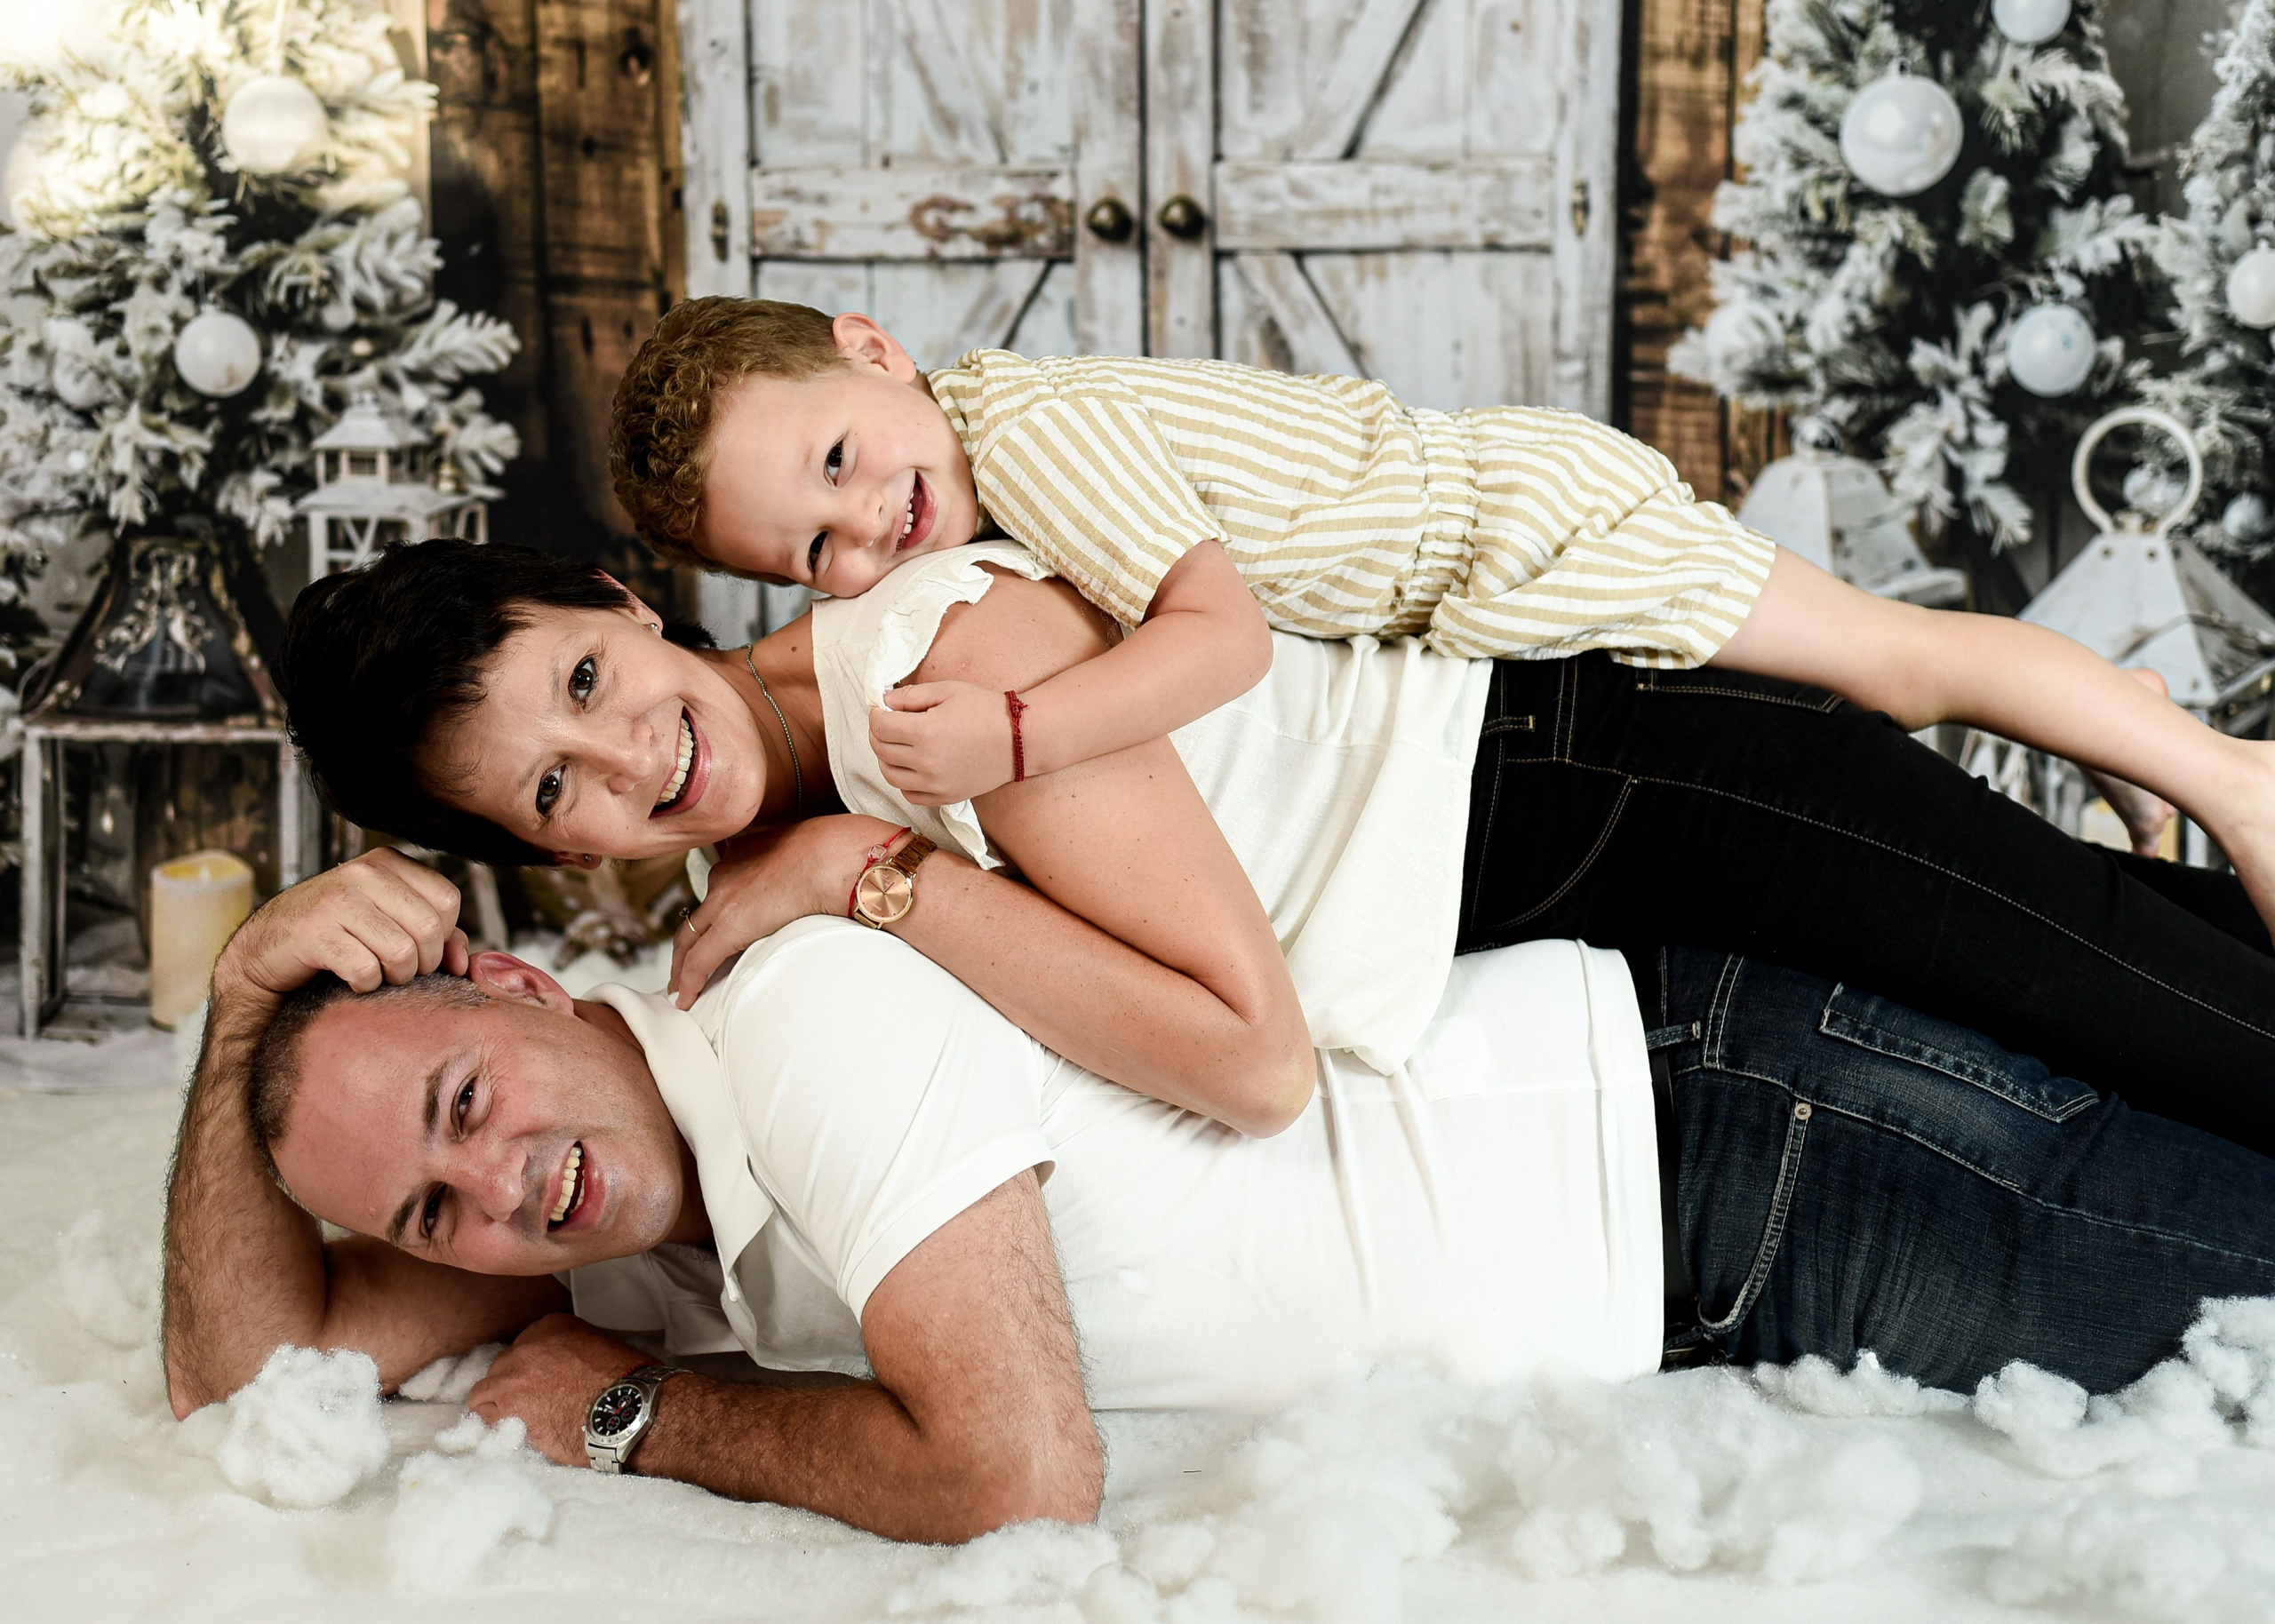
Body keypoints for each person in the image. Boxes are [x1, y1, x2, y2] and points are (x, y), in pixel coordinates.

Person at [163, 852, 2275, 1546]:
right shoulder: (608, 1187)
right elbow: (243, 1378)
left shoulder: (789, 1018)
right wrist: (250, 985)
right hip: (1681, 1242)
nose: (491, 1193)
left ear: (524, 989)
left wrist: (639, 1409)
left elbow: (1016, 1474)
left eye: (459, 1100)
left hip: (1725, 1151)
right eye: (430, 1211)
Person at [280, 537, 2275, 1158]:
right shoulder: (782, 831)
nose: (626, 756)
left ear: (626, 600)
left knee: (2130, 987)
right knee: (2139, 950)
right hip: (1564, 860)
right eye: (550, 789)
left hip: (1610, 769)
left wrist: (872, 883)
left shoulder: (933, 672)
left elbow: (1247, 1059)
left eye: (581, 681)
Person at [607, 298, 2256, 908]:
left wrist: (1019, 728)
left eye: (837, 455)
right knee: (1887, 685)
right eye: (809, 551)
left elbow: (1224, 640)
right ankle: (2138, 755)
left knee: (1896, 670)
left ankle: (2226, 778)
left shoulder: (1028, 436)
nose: (861, 528)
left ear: (874, 352)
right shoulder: (984, 458)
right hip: (1483, 560)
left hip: (1522, 533)